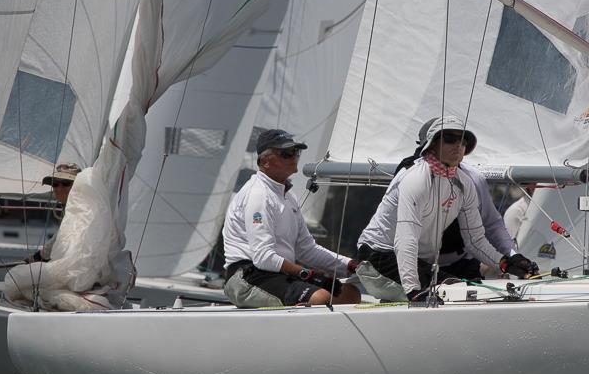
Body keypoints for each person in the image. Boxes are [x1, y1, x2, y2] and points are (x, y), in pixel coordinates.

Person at [357, 115, 538, 302]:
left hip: (413, 261)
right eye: (450, 138)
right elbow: (406, 238)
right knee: (456, 293)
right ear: (432, 144)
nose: (457, 145)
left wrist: (505, 263)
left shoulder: (464, 183)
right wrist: (413, 291)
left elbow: (475, 241)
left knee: (465, 290)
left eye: (463, 140)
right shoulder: (416, 178)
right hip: (378, 258)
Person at [222, 129, 361, 308]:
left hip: (276, 275)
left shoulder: (287, 195)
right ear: (265, 161)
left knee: (349, 294)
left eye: (296, 152)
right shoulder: (258, 194)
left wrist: (350, 265)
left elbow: (306, 249)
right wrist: (307, 274)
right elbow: (263, 257)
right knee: (320, 298)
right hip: (248, 277)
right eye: (286, 153)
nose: (294, 157)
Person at [24, 162, 81, 263]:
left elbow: (62, 236)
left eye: (66, 183)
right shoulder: (70, 207)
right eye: (55, 184)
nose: (59, 189)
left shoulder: (80, 209)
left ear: (77, 185)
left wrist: (39, 256)